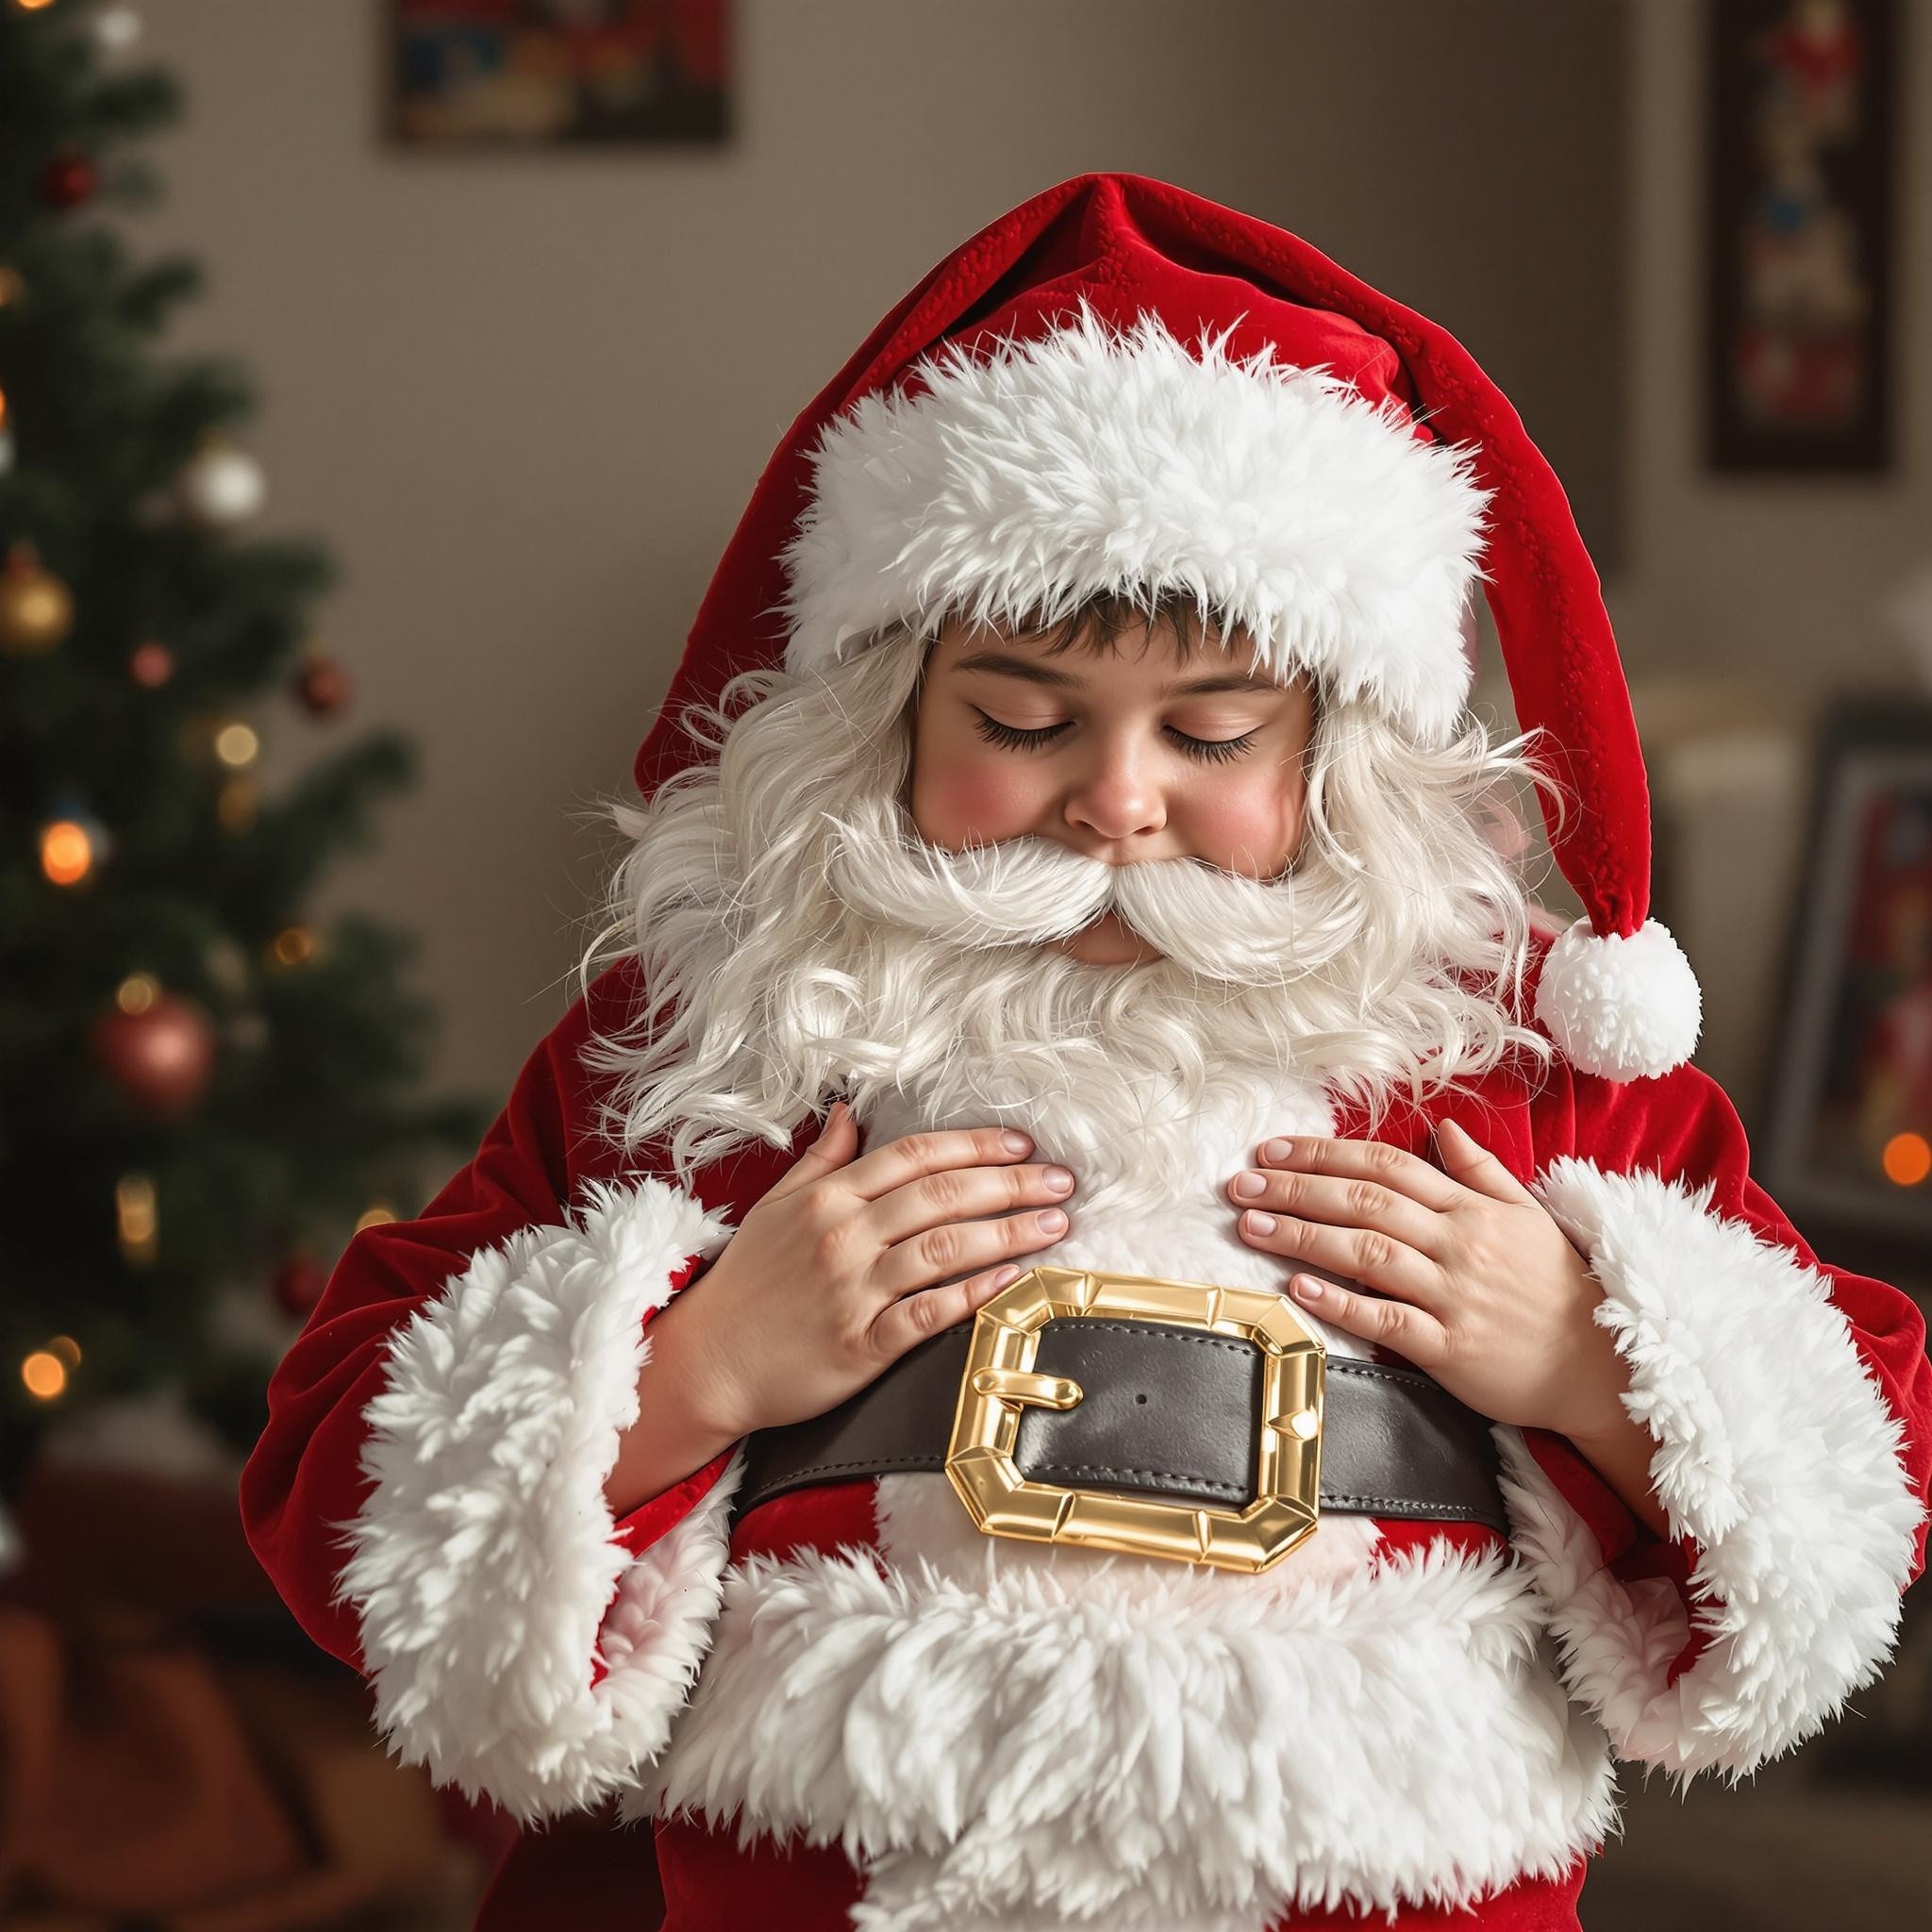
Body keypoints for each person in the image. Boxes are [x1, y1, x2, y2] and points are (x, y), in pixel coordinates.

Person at [240, 174, 1932, 1932]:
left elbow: (1871, 1462)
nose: (1119, 805)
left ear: (1338, 752)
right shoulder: (718, 1052)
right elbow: (331, 1472)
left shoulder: (1511, 1063)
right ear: (885, 713)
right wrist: (697, 1370)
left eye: (1212, 734)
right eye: (1023, 721)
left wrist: (1593, 1357)